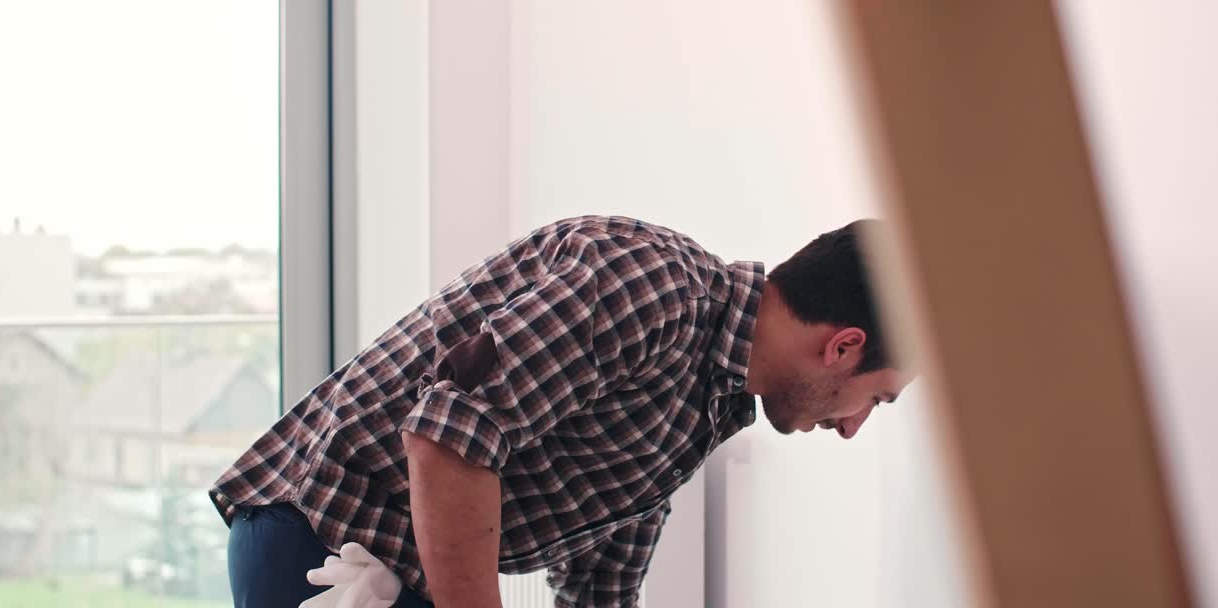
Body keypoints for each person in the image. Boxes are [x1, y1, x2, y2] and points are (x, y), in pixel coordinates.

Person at [212, 214, 912, 608]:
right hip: (325, 539)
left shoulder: (711, 397)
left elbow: (600, 584)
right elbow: (448, 437)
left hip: (397, 570)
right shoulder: (658, 288)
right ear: (843, 347)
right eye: (876, 399)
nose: (853, 426)